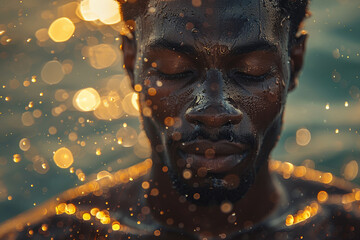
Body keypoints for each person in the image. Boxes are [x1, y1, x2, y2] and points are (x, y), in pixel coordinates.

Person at [1, 0, 360, 239]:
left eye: (251, 71)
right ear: (130, 62)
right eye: (175, 70)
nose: (214, 110)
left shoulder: (345, 222)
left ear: (293, 63)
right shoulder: (57, 232)